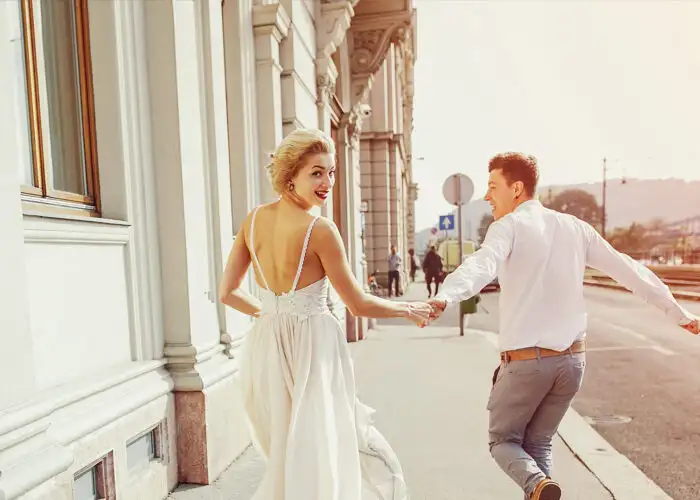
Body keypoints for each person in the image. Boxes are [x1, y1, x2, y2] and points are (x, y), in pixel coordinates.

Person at [425, 152, 699, 500]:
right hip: (572, 363)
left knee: (503, 441)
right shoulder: (576, 228)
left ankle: (538, 485)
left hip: (527, 363)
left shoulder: (508, 226)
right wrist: (678, 313)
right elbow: (628, 270)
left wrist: (445, 297)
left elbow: (482, 264)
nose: (487, 196)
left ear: (518, 188)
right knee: (538, 444)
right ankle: (541, 486)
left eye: (493, 187)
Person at [218, 128, 431, 500]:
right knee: (322, 441)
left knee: (287, 448)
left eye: (331, 172)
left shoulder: (252, 222)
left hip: (267, 344)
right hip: (313, 344)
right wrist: (406, 308)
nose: (327, 182)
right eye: (316, 172)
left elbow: (228, 293)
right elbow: (358, 304)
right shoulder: (320, 230)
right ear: (290, 176)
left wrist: (270, 314)